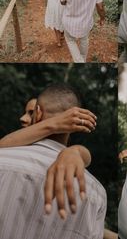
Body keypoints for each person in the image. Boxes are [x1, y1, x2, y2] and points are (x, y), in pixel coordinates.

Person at [0, 84, 107, 239]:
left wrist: (75, 151)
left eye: (30, 113)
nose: (23, 119)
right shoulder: (97, 193)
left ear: (38, 113)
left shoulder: (4, 160)